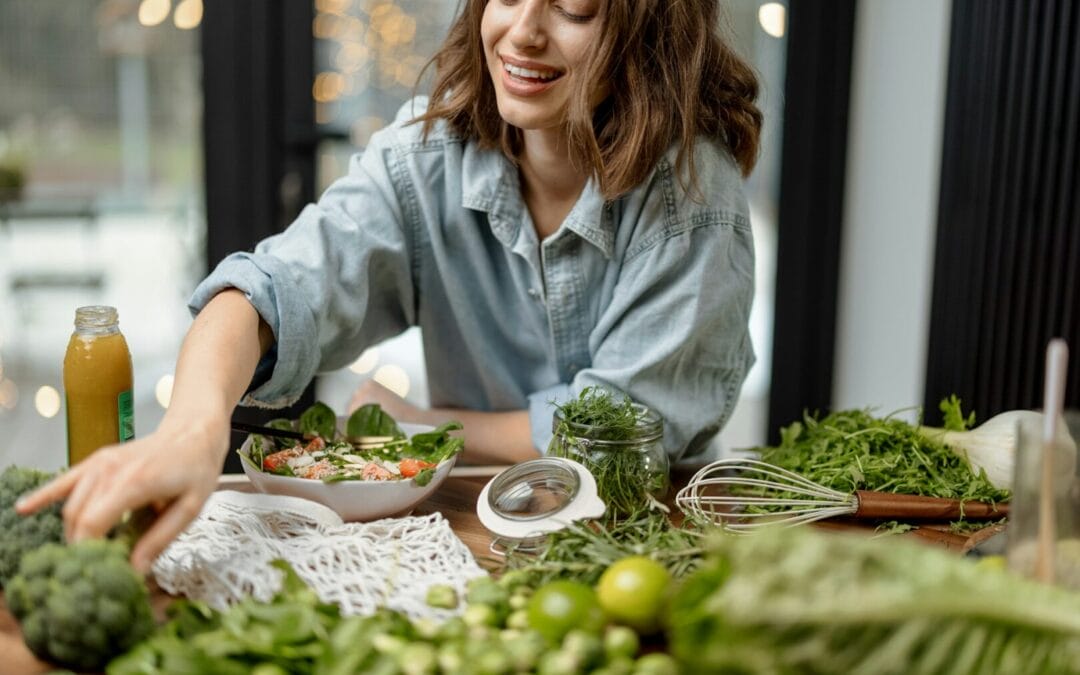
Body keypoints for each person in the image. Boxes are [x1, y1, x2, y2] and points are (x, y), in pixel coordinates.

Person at [18, 0, 762, 572]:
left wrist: (423, 421)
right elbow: (267, 290)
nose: (523, 33)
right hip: (473, 529)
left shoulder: (695, 202)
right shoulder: (424, 160)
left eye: (573, 9)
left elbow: (622, 435)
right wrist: (192, 429)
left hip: (642, 538)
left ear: (650, 31)